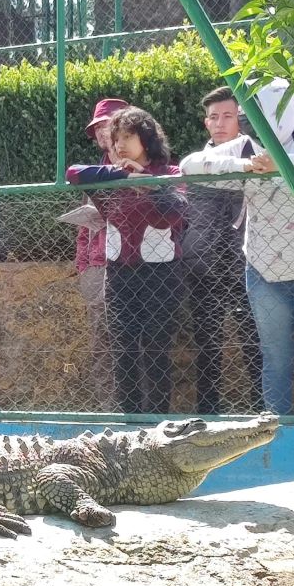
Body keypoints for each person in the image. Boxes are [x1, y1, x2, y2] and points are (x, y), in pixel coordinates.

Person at [180, 79, 294, 415]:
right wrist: (245, 165)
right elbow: (191, 165)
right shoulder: (245, 146)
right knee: (274, 358)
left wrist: (283, 163)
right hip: (263, 270)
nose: (250, 121)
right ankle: (276, 438)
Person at [67, 107, 187, 414]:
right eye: (115, 138)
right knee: (124, 353)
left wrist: (146, 182)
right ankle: (131, 423)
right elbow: (73, 174)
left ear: (146, 139)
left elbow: (178, 210)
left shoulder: (170, 173)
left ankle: (158, 426)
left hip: (162, 277)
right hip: (119, 276)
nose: (119, 144)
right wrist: (122, 174)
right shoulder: (110, 175)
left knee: (156, 352)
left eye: (128, 136)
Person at [179, 86, 263, 414]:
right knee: (206, 346)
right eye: (214, 117)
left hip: (246, 264)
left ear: (240, 119)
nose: (220, 122)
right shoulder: (196, 164)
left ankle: (262, 410)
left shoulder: (257, 156)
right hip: (202, 267)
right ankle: (207, 416)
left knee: (254, 342)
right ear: (205, 123)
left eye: (227, 115)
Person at [73, 98, 128, 409]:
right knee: (102, 344)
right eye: (99, 128)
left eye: (110, 125)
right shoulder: (92, 173)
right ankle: (110, 413)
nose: (104, 133)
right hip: (96, 269)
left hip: (135, 267)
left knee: (138, 344)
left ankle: (143, 414)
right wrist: (83, 266)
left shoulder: (149, 169)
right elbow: (84, 228)